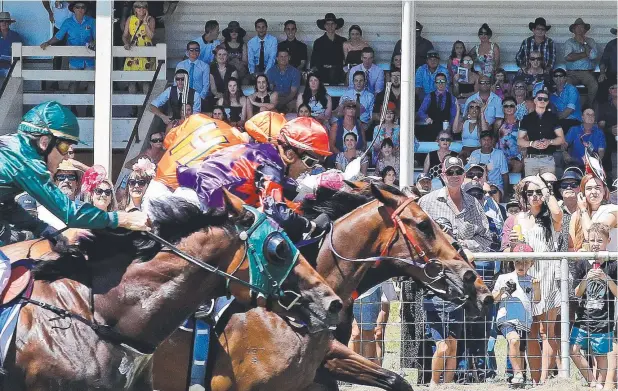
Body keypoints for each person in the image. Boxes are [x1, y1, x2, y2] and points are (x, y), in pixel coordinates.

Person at [0, 101, 148, 252]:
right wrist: (122, 219)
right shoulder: (27, 162)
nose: (65, 157)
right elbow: (70, 213)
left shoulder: (15, 146)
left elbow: (6, 206)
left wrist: (42, 227)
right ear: (44, 142)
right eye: (64, 147)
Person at [175, 118, 332, 239]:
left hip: (198, 197)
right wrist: (310, 226)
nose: (310, 169)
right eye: (310, 162)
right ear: (290, 154)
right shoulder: (271, 166)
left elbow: (288, 188)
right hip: (197, 207)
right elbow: (277, 212)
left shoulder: (268, 155)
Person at [418, 156, 492, 386]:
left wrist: (463, 248)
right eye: (450, 171)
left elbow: (486, 239)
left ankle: (448, 385)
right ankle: (431, 383)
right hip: (435, 280)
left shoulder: (474, 203)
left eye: (458, 170)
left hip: (464, 282)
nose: (454, 175)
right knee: (436, 340)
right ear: (442, 174)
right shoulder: (427, 202)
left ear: (464, 174)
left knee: (455, 339)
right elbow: (417, 239)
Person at [507, 175, 562, 385]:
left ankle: (546, 380)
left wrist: (545, 190)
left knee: (546, 330)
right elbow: (517, 250)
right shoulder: (519, 218)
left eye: (537, 192)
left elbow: (557, 213)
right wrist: (513, 244)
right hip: (527, 276)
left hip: (548, 273)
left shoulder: (552, 216)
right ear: (524, 196)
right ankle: (536, 378)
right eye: (530, 192)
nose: (534, 196)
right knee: (529, 330)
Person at [571, 223, 617, 389]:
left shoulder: (613, 264)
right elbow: (576, 292)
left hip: (604, 319)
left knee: (601, 355)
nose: (596, 243)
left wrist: (607, 279)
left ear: (608, 240)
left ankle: (601, 384)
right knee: (573, 350)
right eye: (592, 240)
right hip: (583, 317)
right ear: (587, 241)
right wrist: (586, 279)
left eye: (600, 240)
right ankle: (592, 381)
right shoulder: (583, 263)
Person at [492, 243, 540, 388]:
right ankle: (517, 373)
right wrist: (501, 291)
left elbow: (536, 299)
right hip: (506, 318)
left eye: (525, 262)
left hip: (524, 320)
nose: (521, 265)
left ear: (531, 263)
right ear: (513, 261)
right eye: (518, 261)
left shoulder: (532, 280)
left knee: (520, 349)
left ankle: (519, 378)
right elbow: (493, 299)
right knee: (513, 340)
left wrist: (537, 288)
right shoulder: (503, 277)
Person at [40, 1, 95, 101]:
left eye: (83, 7)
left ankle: (89, 108)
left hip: (89, 59)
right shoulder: (68, 22)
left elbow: (97, 37)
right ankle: (72, 106)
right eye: (78, 7)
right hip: (74, 59)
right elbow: (58, 36)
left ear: (86, 9)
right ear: (73, 9)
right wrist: (48, 42)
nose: (80, 9)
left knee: (91, 82)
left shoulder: (92, 21)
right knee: (74, 82)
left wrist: (94, 42)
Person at [518, 89, 565, 176]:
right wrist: (532, 143)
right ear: (535, 100)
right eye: (540, 98)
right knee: (531, 188)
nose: (542, 101)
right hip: (531, 159)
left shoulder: (553, 118)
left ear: (548, 102)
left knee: (548, 188)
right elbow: (519, 140)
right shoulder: (527, 118)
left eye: (545, 99)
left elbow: (561, 139)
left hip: (548, 158)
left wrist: (549, 142)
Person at [570, 174, 618, 253]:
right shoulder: (576, 215)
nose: (593, 192)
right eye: (589, 188)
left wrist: (583, 209)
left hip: (610, 263)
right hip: (586, 264)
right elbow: (571, 246)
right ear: (582, 193)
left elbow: (594, 234)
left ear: (604, 191)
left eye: (597, 188)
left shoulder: (613, 210)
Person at [37, 160, 82, 230]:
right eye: (61, 177)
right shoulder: (42, 211)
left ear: (77, 183)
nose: (66, 180)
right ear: (54, 183)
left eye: (71, 177)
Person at [122, 1, 155, 95]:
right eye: (138, 7)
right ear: (134, 9)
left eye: (144, 7)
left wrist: (145, 23)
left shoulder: (150, 19)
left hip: (146, 51)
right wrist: (126, 43)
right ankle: (134, 108)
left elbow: (151, 36)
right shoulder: (130, 19)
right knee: (132, 81)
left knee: (146, 81)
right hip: (133, 50)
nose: (141, 9)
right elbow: (125, 35)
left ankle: (145, 107)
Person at [564, 18, 598, 107]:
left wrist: (585, 44)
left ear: (585, 30)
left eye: (582, 27)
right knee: (567, 85)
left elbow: (593, 56)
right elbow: (569, 57)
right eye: (577, 27)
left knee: (594, 85)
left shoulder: (590, 41)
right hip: (571, 73)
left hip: (586, 73)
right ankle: (571, 106)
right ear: (573, 30)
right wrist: (586, 53)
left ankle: (588, 106)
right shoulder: (569, 42)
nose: (580, 29)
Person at [41, 2, 71, 90]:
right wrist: (50, 12)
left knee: (75, 53)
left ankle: (74, 82)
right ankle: (55, 82)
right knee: (57, 55)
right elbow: (45, 1)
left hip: (75, 24)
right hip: (59, 26)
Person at [311, 13, 347, 85]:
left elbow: (346, 58)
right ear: (324, 26)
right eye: (328, 24)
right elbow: (313, 61)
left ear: (336, 25)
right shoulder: (318, 42)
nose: (330, 26)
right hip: (322, 73)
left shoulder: (343, 41)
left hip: (338, 74)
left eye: (332, 24)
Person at [176, 41, 211, 108]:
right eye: (191, 50)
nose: (194, 52)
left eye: (196, 50)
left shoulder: (205, 66)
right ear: (187, 52)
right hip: (183, 96)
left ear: (199, 52)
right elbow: (176, 83)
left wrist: (200, 98)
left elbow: (206, 84)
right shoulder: (180, 65)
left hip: (199, 97)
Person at [266, 48, 300, 113]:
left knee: (294, 105)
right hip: (275, 100)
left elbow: (293, 92)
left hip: (289, 100)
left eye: (285, 56)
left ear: (289, 58)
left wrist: (282, 103)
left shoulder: (295, 72)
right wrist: (276, 103)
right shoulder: (271, 71)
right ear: (277, 58)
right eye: (281, 56)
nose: (283, 58)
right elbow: (270, 90)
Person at [550, 67, 583, 132]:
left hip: (574, 120)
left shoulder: (571, 89)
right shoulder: (552, 96)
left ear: (565, 78)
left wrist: (555, 120)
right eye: (556, 76)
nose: (558, 78)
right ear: (553, 78)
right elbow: (554, 112)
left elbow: (569, 110)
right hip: (561, 121)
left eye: (561, 76)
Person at [597, 78, 617, 184]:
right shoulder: (604, 106)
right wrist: (610, 129)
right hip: (610, 139)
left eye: (617, 87)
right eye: (612, 88)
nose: (615, 89)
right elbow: (600, 124)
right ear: (609, 91)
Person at [497, 96, 524, 173]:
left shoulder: (520, 124)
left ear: (516, 108)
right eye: (506, 106)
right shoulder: (498, 123)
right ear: (502, 108)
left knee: (518, 165)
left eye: (511, 106)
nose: (509, 108)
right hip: (501, 156)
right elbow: (494, 139)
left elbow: (525, 142)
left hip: (515, 157)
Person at [598, 27, 617, 104]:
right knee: (602, 84)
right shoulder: (611, 44)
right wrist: (602, 73)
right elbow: (603, 60)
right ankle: (604, 111)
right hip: (612, 73)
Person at [0, 12, 21, 80]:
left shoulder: (15, 35)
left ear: (9, 23)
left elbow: (20, 53)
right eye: (1, 21)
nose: (4, 23)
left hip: (10, 66)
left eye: (6, 21)